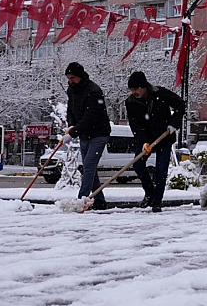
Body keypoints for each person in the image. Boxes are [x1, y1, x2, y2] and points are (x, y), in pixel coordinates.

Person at [125, 71, 185, 212]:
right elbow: (135, 124)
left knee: (161, 170)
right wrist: (144, 141)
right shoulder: (130, 102)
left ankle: (157, 201)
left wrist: (173, 124)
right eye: (132, 90)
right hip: (145, 139)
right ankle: (150, 193)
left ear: (144, 87)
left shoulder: (161, 94)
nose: (134, 92)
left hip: (164, 137)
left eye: (136, 89)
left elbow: (180, 105)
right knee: (138, 166)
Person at [62, 62, 111, 210]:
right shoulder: (71, 90)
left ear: (80, 76)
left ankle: (81, 199)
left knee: (88, 165)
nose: (70, 81)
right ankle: (100, 200)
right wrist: (71, 125)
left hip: (99, 133)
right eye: (68, 78)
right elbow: (70, 110)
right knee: (91, 168)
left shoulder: (93, 91)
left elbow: (90, 117)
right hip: (84, 134)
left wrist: (73, 132)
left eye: (73, 78)